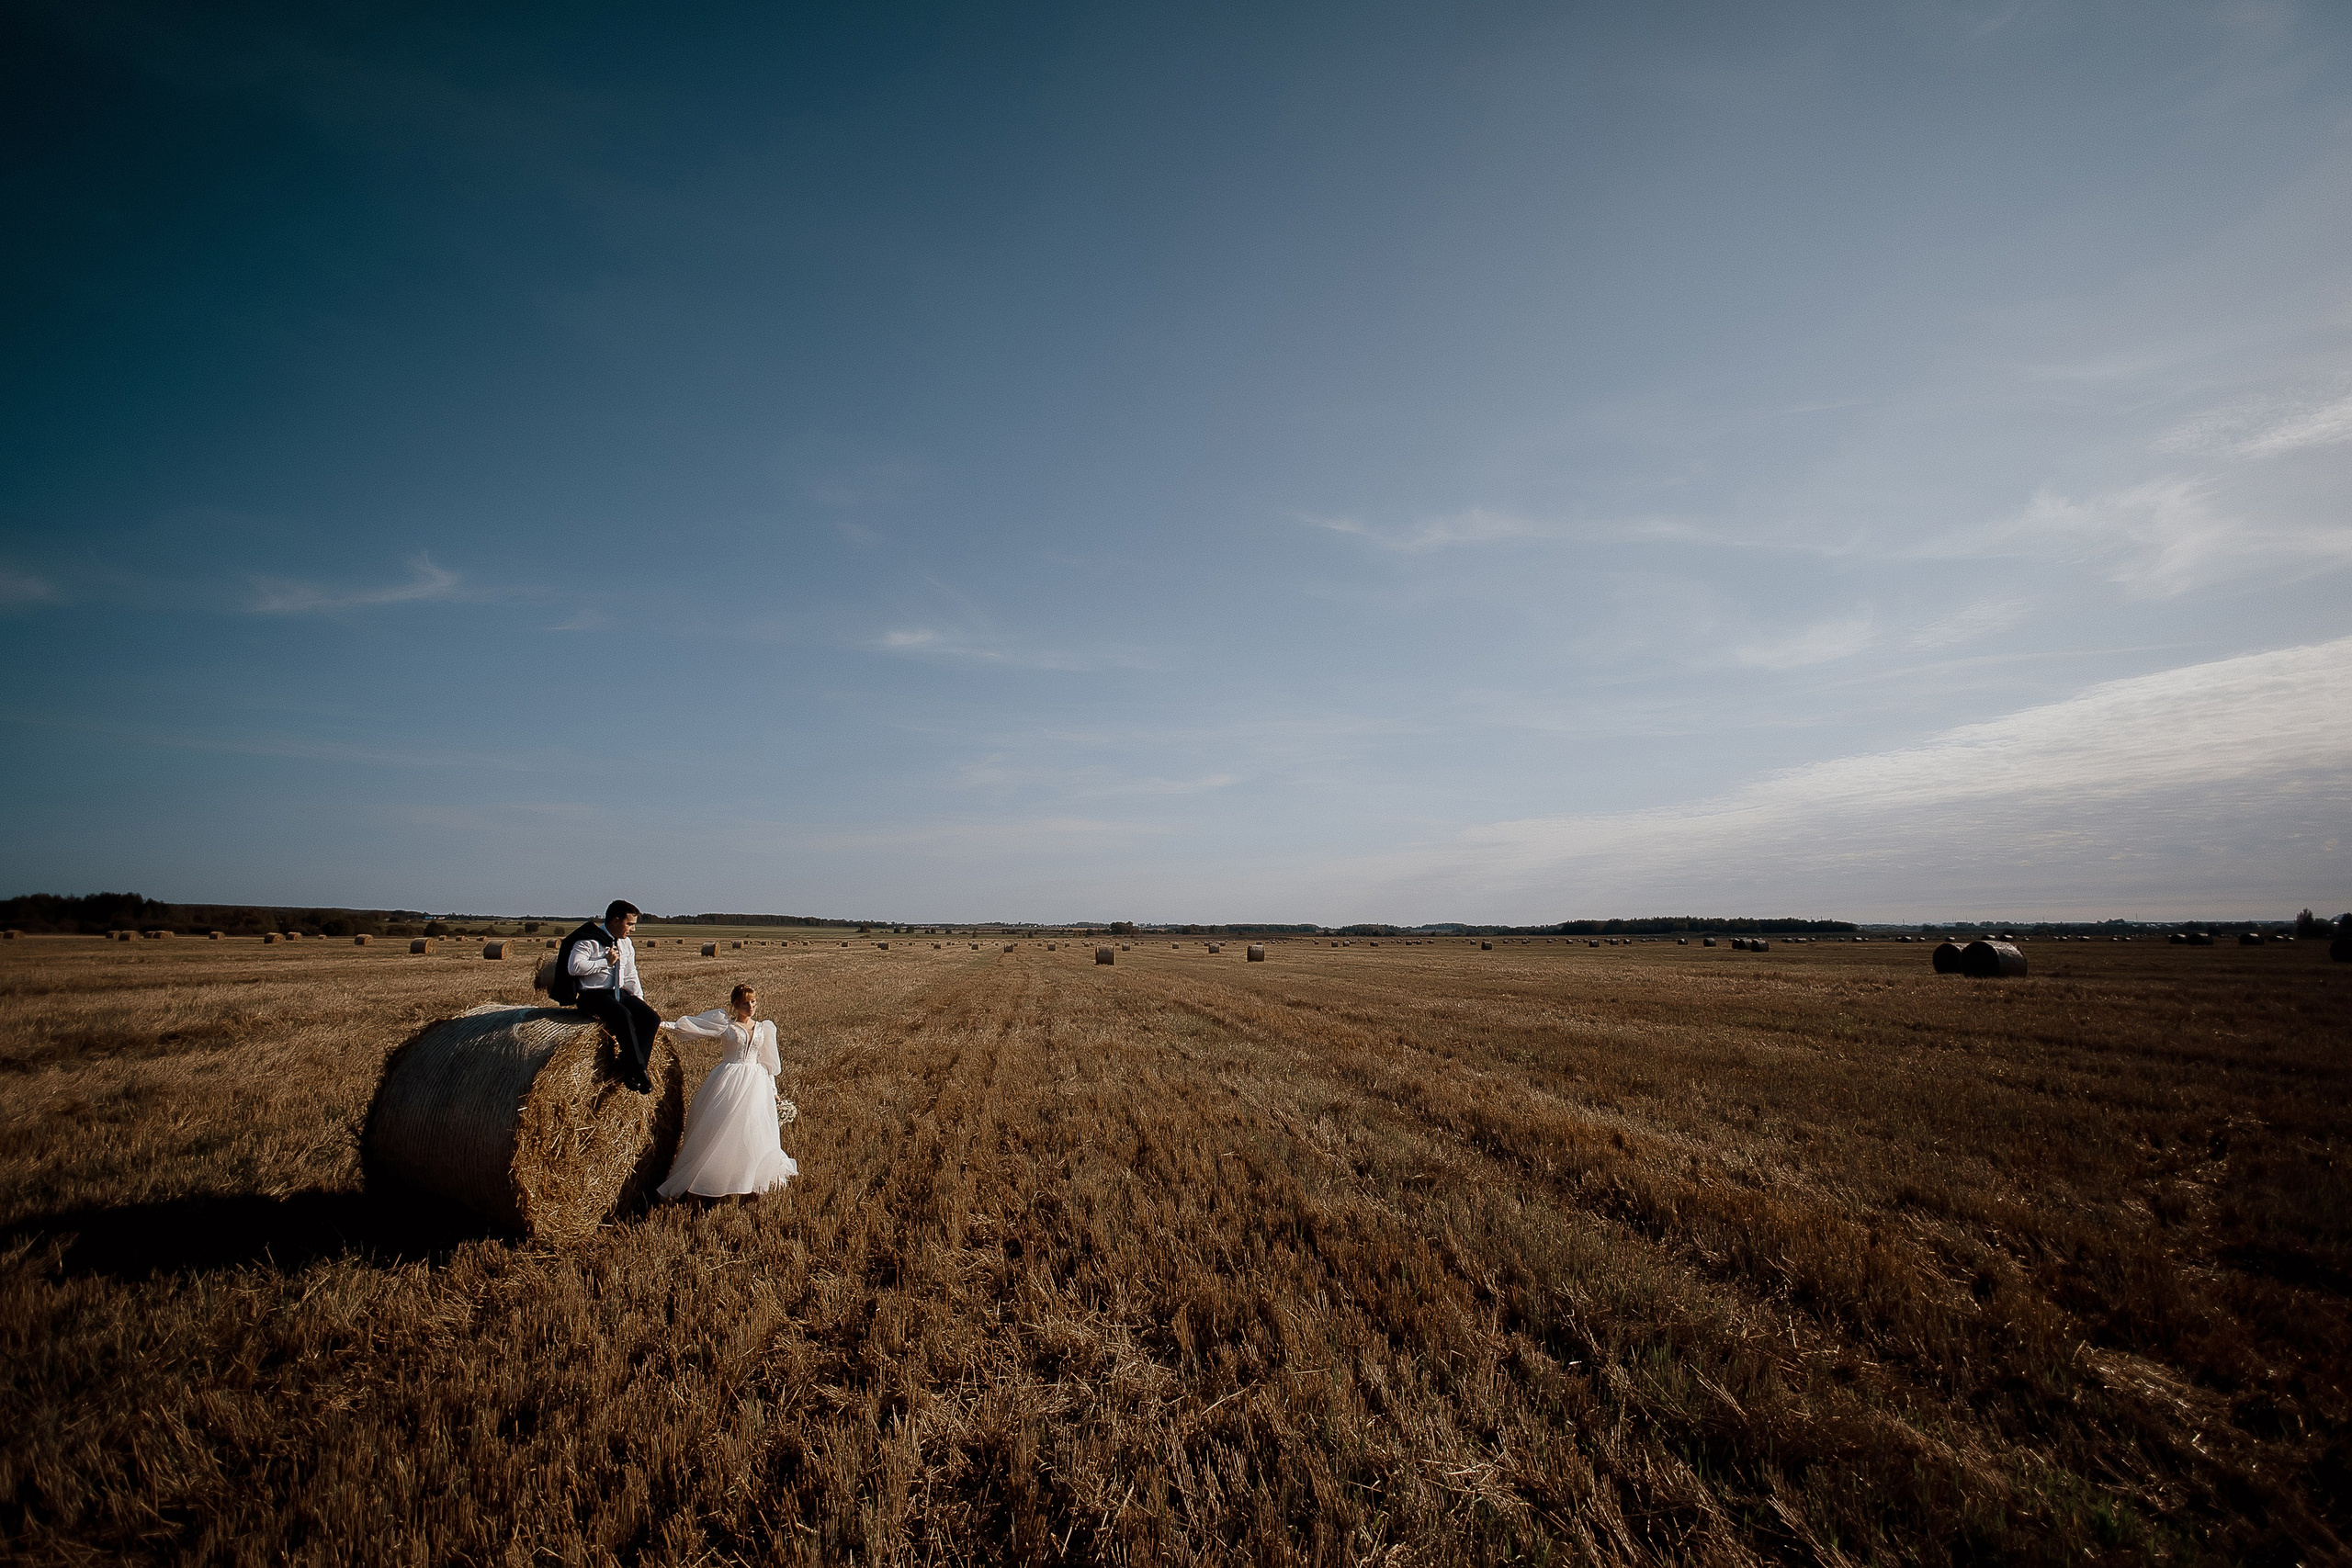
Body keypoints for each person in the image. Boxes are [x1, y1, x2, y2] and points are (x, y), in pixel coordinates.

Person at [657, 983, 798, 1201]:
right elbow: (694, 1027)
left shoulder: (764, 1028)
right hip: (729, 1080)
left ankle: (749, 1180)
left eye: (753, 1002)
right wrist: (659, 1025)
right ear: (734, 1005)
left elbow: (768, 1063)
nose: (750, 1006)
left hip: (756, 1083)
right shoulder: (727, 1026)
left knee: (753, 1131)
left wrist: (773, 1091)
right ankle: (712, 1179)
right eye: (745, 1003)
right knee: (720, 1130)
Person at [558, 900, 659, 1093]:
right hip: (592, 995)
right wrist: (605, 962)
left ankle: (630, 1070)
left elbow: (630, 974)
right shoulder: (588, 940)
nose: (633, 929)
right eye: (629, 924)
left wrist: (639, 1000)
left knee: (651, 1018)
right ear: (615, 920)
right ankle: (640, 1072)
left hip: (618, 992)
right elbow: (574, 967)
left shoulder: (626, 944)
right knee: (622, 1015)